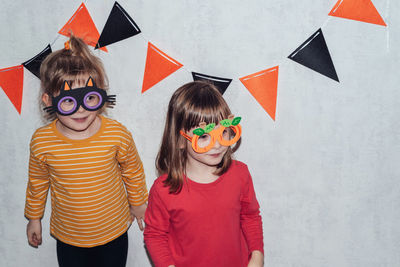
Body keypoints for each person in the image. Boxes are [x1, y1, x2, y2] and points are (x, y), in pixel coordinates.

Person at [24, 35, 148, 267]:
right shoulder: (42, 141)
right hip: (69, 236)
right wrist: (34, 218)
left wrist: (139, 202)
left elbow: (132, 169)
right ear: (49, 100)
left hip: (114, 231)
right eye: (69, 101)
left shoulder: (116, 133)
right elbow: (37, 182)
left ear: (100, 95)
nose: (80, 109)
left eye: (90, 98)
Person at [143, 81, 264, 267]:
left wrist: (256, 256)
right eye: (204, 136)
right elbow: (155, 235)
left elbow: (250, 216)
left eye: (223, 132)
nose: (217, 145)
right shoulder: (164, 189)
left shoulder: (240, 174)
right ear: (180, 140)